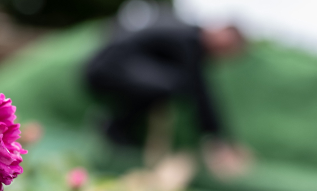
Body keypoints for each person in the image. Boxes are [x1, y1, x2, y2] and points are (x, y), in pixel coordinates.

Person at [85, 23, 251, 178]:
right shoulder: (188, 40)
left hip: (122, 68)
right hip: (105, 68)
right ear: (220, 34)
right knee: (171, 85)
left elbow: (200, 90)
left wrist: (217, 135)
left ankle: (120, 128)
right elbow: (199, 91)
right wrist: (216, 139)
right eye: (226, 48)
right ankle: (114, 127)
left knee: (171, 83)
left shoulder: (191, 42)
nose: (221, 55)